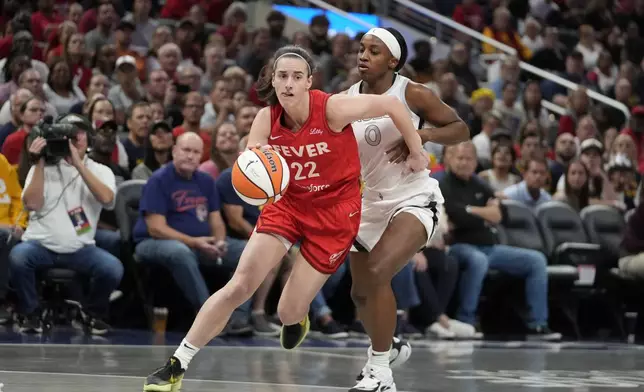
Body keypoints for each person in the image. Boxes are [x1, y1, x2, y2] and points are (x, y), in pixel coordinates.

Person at [143, 45, 429, 391]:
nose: (289, 83)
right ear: (273, 80)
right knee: (240, 285)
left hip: (335, 213)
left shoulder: (333, 109)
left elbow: (391, 104)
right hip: (288, 205)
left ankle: (297, 318)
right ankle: (177, 364)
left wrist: (416, 150)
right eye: (282, 76)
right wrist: (255, 157)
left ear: (309, 81)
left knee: (288, 313)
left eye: (297, 76)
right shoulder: (267, 118)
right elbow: (253, 162)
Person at [345, 27, 470, 391]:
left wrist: (423, 136)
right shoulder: (345, 99)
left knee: (379, 269)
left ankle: (380, 372)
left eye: (374, 51)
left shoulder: (412, 93)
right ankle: (390, 345)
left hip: (413, 197)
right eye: (362, 49)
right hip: (368, 204)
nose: (363, 56)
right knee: (360, 292)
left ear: (393, 61)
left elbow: (460, 128)